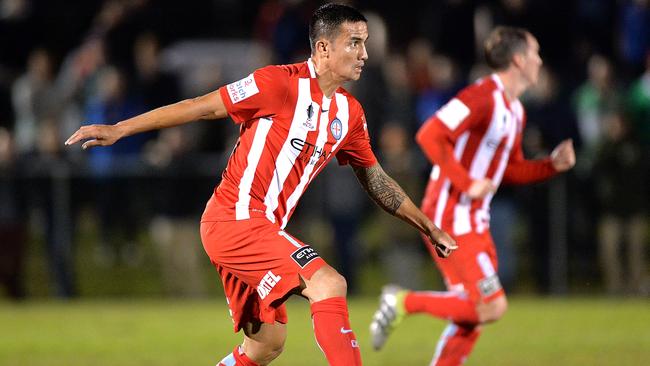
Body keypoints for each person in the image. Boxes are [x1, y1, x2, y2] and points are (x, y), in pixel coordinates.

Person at [65, 4, 457, 366]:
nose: (364, 54)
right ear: (323, 47)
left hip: (261, 229)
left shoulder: (349, 114)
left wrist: (428, 225)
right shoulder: (278, 84)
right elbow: (203, 106)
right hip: (234, 220)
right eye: (354, 43)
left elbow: (375, 178)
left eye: (365, 43)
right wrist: (120, 129)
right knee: (328, 282)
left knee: (266, 344)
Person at [369, 26, 576, 365]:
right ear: (519, 60)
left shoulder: (516, 112)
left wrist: (551, 165)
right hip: (450, 215)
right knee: (491, 305)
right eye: (535, 52)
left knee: (473, 314)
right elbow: (429, 134)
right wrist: (465, 182)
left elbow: (508, 170)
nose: (540, 60)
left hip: (474, 220)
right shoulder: (482, 96)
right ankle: (402, 301)